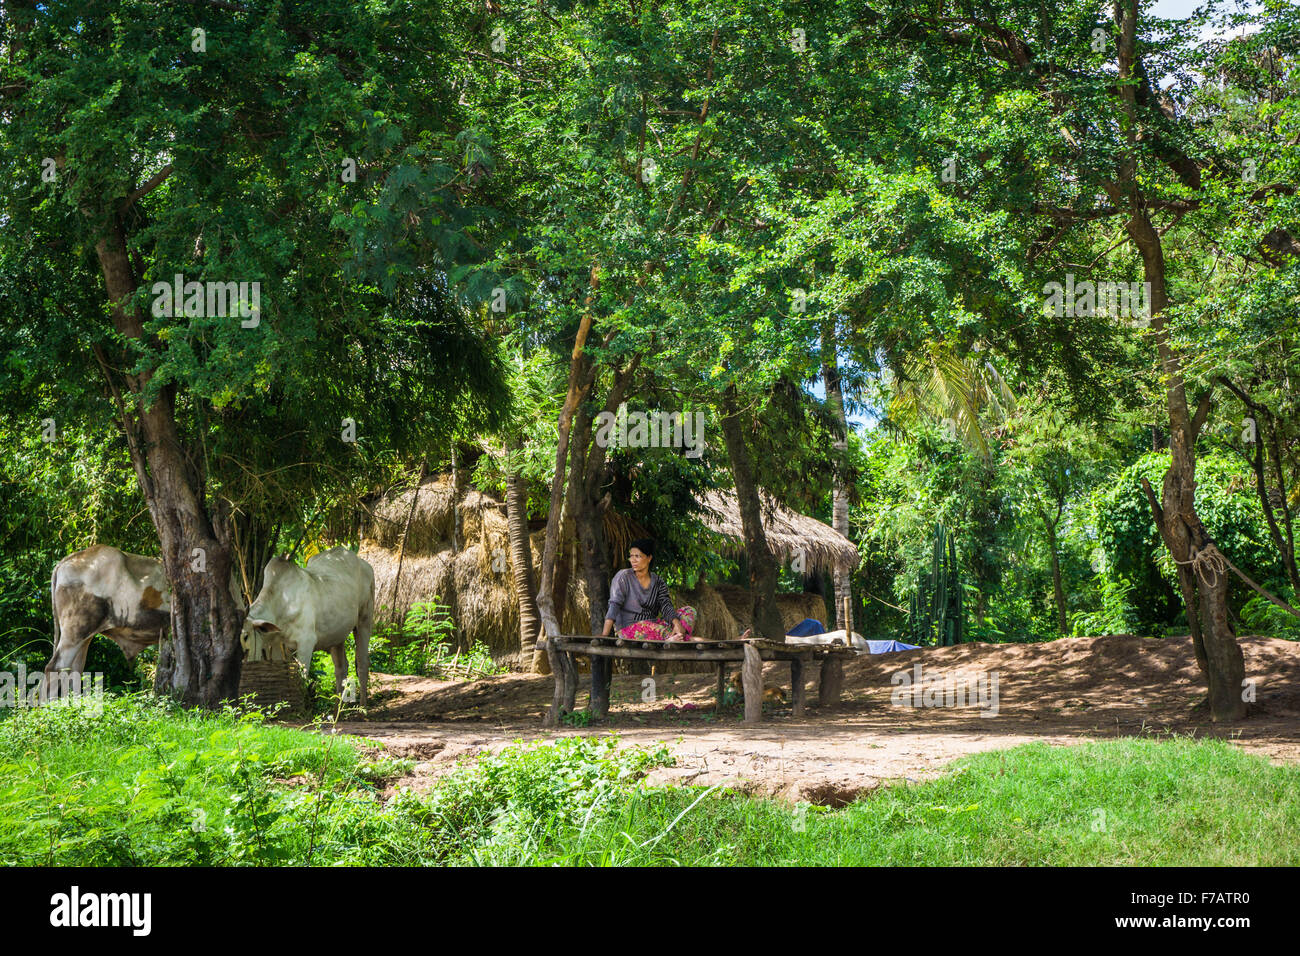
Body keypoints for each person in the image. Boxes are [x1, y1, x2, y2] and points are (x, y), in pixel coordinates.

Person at [602, 539, 697, 641]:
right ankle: (678, 639)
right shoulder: (623, 577)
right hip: (630, 629)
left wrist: (677, 623)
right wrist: (604, 635)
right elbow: (614, 605)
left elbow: (666, 605)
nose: (633, 560)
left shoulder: (658, 581)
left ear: (649, 558)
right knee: (646, 626)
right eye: (631, 556)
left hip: (654, 625)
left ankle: (676, 636)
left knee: (689, 611)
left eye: (637, 556)